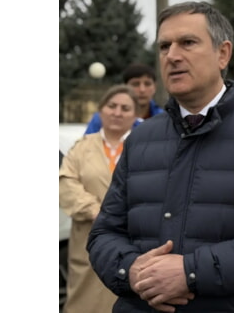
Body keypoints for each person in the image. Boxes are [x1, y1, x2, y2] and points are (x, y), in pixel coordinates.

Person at [87, 1, 234, 312]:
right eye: (164, 46)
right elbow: (104, 233)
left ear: (223, 54)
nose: (172, 55)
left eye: (187, 43)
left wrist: (191, 273)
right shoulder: (141, 138)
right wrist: (132, 271)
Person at [59, 85, 139, 313]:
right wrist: (96, 211)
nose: (117, 112)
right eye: (112, 106)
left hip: (132, 240)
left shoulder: (143, 147)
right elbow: (66, 183)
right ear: (101, 110)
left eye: (125, 108)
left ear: (135, 115)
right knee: (85, 302)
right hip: (88, 238)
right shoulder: (82, 147)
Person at [84, 63, 164, 134]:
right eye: (136, 84)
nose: (142, 89)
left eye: (147, 84)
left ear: (155, 87)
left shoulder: (164, 119)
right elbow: (87, 144)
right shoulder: (102, 118)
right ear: (125, 87)